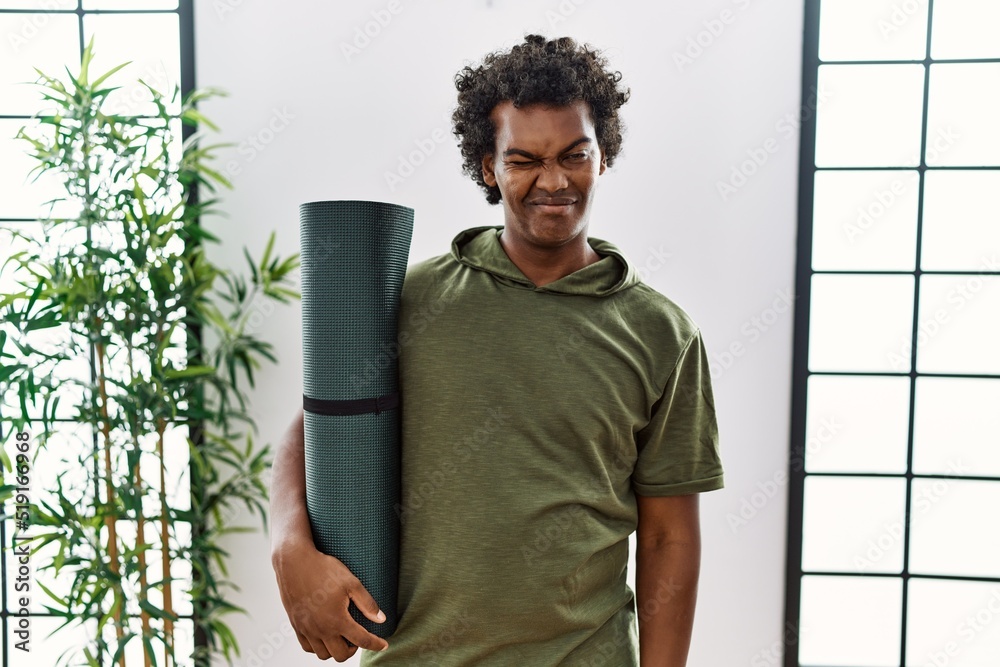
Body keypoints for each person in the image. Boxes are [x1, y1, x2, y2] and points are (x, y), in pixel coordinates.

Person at [270, 34, 724, 666]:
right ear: (488, 166)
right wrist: (288, 547)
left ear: (602, 156)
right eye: (524, 160)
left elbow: (670, 537)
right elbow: (315, 422)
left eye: (575, 154)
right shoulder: (413, 297)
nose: (554, 180)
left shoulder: (661, 333)